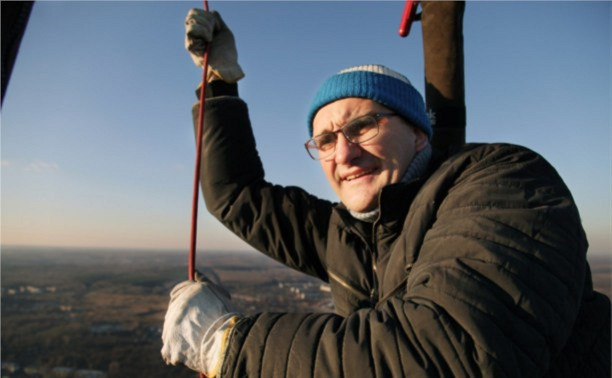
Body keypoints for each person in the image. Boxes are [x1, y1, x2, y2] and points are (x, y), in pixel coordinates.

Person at [161, 9, 610, 378]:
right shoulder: (351, 234)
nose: (344, 154)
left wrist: (225, 342)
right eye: (326, 141)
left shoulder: (506, 183)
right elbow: (237, 197)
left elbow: (450, 356)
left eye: (362, 126)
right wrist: (220, 83)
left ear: (418, 133)